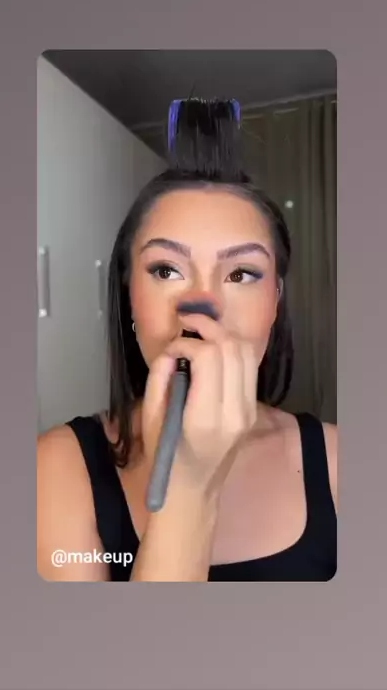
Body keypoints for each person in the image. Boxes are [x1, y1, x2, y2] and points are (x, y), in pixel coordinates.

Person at [37, 98, 337, 582]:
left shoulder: (344, 461)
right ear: (128, 297)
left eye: (241, 273)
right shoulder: (56, 467)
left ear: (275, 302)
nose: (201, 306)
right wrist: (188, 488)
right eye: (166, 270)